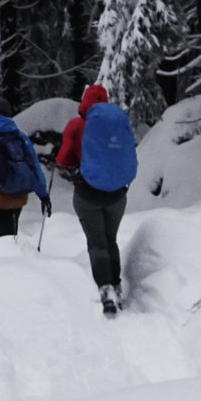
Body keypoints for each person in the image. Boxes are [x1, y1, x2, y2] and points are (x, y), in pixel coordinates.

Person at [57, 84, 138, 318]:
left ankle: (106, 290)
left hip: (87, 194)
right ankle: (117, 285)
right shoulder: (116, 124)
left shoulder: (77, 126)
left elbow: (63, 159)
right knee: (110, 240)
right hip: (117, 195)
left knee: (97, 243)